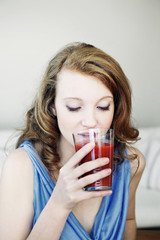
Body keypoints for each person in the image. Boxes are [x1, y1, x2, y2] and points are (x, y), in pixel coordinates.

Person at [0, 42, 145, 240]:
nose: (91, 121)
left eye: (103, 106)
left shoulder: (132, 162)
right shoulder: (21, 167)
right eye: (74, 107)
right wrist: (59, 204)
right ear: (52, 107)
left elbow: (128, 221)